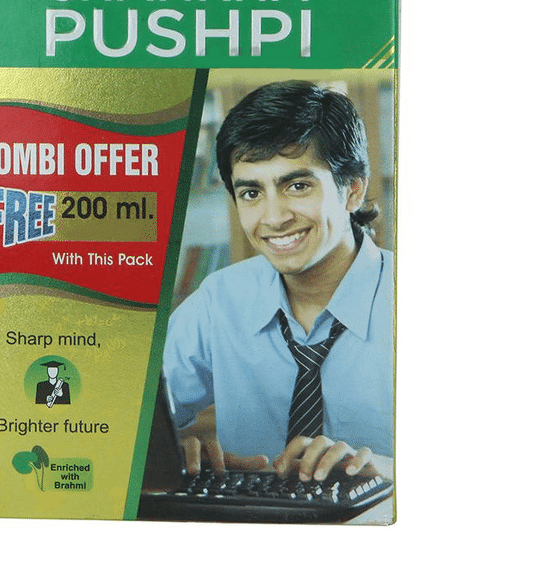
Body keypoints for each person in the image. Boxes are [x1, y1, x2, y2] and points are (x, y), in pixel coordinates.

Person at [163, 81, 394, 484]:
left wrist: (391, 473)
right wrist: (168, 453)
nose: (273, 218)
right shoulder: (218, 300)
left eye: (297, 186)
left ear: (352, 191)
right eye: (252, 193)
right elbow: (124, 418)